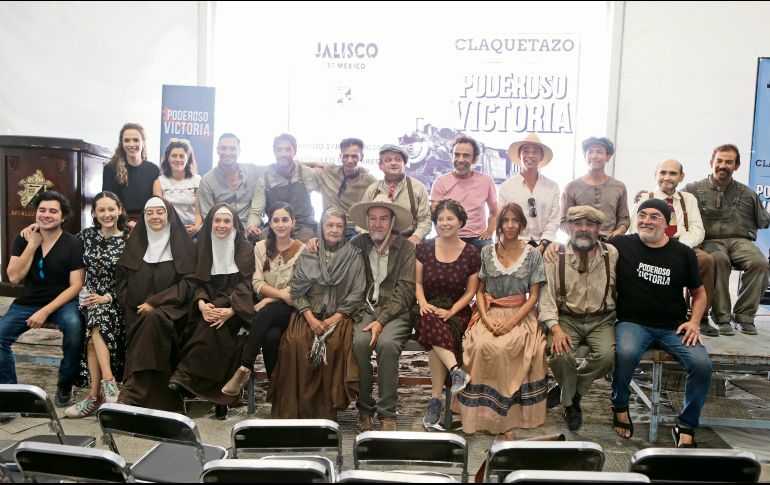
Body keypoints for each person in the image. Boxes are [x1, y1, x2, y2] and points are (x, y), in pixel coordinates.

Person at [607, 198, 710, 448]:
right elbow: (586, 245)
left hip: (673, 327)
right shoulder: (621, 244)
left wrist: (694, 322)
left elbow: (699, 293)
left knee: (702, 365)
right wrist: (556, 247)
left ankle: (686, 424)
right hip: (633, 322)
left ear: (667, 223)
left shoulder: (683, 253)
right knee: (625, 354)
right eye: (643, 215)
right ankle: (620, 405)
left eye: (655, 216)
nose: (647, 221)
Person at [454, 202, 548, 436]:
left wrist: (511, 322)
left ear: (522, 224)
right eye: (505, 220)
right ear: (499, 224)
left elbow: (534, 296)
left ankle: (507, 414)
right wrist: (486, 319)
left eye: (515, 220)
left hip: (520, 312)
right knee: (479, 345)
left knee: (508, 347)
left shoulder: (532, 254)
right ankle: (480, 413)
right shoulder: (487, 252)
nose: (510, 225)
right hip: (490, 310)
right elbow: (479, 291)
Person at [268, 207, 365, 419]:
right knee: (295, 342)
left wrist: (336, 317)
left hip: (339, 315)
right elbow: (297, 289)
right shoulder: (308, 252)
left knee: (334, 346)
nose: (334, 230)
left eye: (339, 226)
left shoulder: (353, 256)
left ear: (345, 229)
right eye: (330, 225)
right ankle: (296, 410)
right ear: (321, 227)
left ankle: (325, 413)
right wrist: (310, 318)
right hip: (308, 312)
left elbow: (357, 292)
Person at [168, 203, 255, 420]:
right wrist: (201, 304)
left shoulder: (245, 248)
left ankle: (186, 378)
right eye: (217, 220)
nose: (222, 225)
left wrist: (232, 311)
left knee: (218, 331)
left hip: (236, 306)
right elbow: (197, 282)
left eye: (227, 221)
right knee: (204, 325)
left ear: (234, 224)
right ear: (210, 223)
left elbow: (246, 284)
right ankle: (217, 396)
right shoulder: (202, 246)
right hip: (209, 303)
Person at [0, 191, 85, 408]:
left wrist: (45, 311)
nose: (46, 215)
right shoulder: (23, 238)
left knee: (75, 327)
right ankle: (10, 394)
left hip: (62, 302)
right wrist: (32, 245)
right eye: (42, 210)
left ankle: (65, 383)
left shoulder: (73, 244)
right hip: (28, 301)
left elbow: (76, 285)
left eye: (53, 211)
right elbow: (14, 277)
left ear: (62, 217)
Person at [539, 206, 618, 431]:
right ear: (568, 227)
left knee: (608, 356)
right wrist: (555, 329)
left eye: (590, 224)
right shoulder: (554, 255)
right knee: (560, 355)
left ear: (598, 228)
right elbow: (546, 298)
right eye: (577, 224)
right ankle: (571, 404)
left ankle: (569, 392)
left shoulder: (611, 254)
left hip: (601, 320)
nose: (583, 229)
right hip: (566, 319)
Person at [115, 197, 196, 412]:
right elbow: (121, 278)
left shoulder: (183, 245)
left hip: (174, 310)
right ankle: (161, 397)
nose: (155, 217)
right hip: (136, 310)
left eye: (160, 212)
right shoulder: (135, 244)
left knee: (153, 319)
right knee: (149, 320)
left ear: (169, 216)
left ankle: (132, 392)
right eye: (149, 213)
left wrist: (155, 302)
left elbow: (189, 284)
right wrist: (131, 303)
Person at [683, 144, 770, 336]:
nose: (723, 165)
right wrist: (648, 196)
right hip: (708, 240)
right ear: (711, 163)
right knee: (718, 260)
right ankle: (722, 317)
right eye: (719, 161)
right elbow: (673, 204)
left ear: (736, 166)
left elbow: (764, 221)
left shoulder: (748, 194)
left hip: (740, 241)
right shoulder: (692, 190)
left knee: (760, 263)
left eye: (729, 162)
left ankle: (744, 316)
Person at [221, 202, 305, 396]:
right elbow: (257, 283)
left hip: (292, 309)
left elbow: (296, 288)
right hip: (268, 313)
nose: (281, 224)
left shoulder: (302, 249)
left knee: (266, 312)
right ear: (270, 224)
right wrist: (280, 294)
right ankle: (277, 391)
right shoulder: (260, 247)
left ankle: (245, 367)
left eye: (285, 220)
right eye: (276, 220)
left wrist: (268, 300)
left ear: (293, 222)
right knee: (270, 337)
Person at [349, 194, 417, 431]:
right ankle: (364, 409)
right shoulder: (358, 243)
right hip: (365, 308)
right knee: (359, 343)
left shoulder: (406, 248)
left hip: (397, 312)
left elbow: (406, 290)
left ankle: (388, 412)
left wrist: (381, 321)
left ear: (393, 221)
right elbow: (338, 263)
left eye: (383, 218)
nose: (377, 224)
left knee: (387, 345)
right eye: (373, 218)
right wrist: (315, 243)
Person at [630, 159, 717, 336]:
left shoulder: (688, 199)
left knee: (707, 260)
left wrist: (677, 247)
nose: (667, 177)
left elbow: (697, 229)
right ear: (655, 175)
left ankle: (700, 317)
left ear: (681, 177)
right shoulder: (645, 198)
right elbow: (634, 229)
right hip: (650, 246)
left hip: (683, 244)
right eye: (663, 172)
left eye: (673, 173)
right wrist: (658, 245)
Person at [414, 199, 480, 430]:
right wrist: (423, 303)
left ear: (460, 222)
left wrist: (452, 311)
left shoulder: (471, 253)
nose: (444, 223)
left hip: (457, 309)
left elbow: (471, 292)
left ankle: (435, 400)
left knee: (435, 334)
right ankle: (455, 371)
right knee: (430, 319)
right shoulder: (424, 248)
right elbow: (417, 283)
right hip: (428, 307)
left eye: (450, 218)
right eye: (440, 219)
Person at [65, 192, 129, 418]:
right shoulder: (85, 236)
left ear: (119, 210)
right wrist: (31, 231)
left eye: (111, 209)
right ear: (93, 213)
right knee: (95, 314)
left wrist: (108, 297)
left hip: (117, 300)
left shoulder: (129, 239)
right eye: (101, 210)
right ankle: (107, 386)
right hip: (88, 299)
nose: (106, 214)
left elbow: (132, 280)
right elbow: (60, 244)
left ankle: (95, 394)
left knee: (97, 321)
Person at [429, 136, 497, 252]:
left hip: (477, 238)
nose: (460, 160)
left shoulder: (486, 180)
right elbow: (435, 215)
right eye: (456, 155)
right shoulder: (440, 182)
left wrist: (489, 232)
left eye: (466, 155)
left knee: (489, 251)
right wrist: (443, 236)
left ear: (474, 159)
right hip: (449, 234)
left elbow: (494, 212)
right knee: (426, 248)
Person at [247, 133, 320, 242]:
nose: (283, 154)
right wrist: (251, 226)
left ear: (294, 151)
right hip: (276, 226)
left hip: (303, 226)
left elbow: (327, 189)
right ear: (274, 152)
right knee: (262, 243)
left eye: (288, 149)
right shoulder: (265, 179)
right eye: (279, 149)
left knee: (308, 246)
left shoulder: (307, 173)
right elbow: (256, 211)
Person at [497, 133, 560, 253]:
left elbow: (553, 220)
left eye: (535, 151)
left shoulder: (552, 187)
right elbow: (502, 221)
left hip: (544, 245)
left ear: (541, 156)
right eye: (525, 151)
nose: (530, 155)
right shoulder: (506, 187)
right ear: (519, 155)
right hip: (514, 244)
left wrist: (542, 245)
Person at [359, 144, 432, 246]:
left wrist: (415, 238)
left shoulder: (418, 188)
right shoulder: (372, 189)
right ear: (380, 165)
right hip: (378, 242)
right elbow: (362, 221)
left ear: (404, 164)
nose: (393, 163)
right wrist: (370, 239)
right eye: (388, 160)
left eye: (398, 159)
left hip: (409, 241)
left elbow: (425, 220)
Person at [561, 136, 630, 240]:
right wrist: (578, 234)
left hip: (610, 242)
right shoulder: (571, 187)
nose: (594, 156)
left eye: (600, 152)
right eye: (590, 152)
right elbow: (563, 220)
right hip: (579, 243)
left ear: (608, 157)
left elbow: (624, 218)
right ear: (585, 156)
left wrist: (619, 231)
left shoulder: (619, 187)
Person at [313, 137, 377, 240]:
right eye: (346, 156)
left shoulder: (370, 181)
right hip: (329, 225)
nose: (349, 160)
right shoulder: (329, 171)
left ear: (361, 157)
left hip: (354, 229)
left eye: (354, 156)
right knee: (312, 246)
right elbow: (297, 165)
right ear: (340, 157)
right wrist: (315, 164)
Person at [199, 133, 265, 231]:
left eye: (232, 148)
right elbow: (209, 217)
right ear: (217, 150)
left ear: (239, 151)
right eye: (223, 148)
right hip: (222, 231)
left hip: (250, 230)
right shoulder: (206, 181)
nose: (228, 152)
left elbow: (276, 168)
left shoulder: (253, 171)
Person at [102, 123, 160, 228]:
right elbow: (108, 201)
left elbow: (157, 203)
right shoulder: (110, 169)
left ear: (143, 142)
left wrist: (143, 223)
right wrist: (126, 222)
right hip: (118, 223)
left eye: (136, 140)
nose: (131, 144)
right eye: (127, 140)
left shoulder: (154, 170)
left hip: (148, 223)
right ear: (121, 143)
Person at [152, 139, 203, 236]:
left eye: (181, 156)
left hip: (191, 229)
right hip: (168, 228)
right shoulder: (159, 182)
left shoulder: (197, 180)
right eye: (174, 155)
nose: (177, 159)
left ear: (188, 158)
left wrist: (196, 228)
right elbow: (158, 212)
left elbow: (199, 212)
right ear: (168, 158)